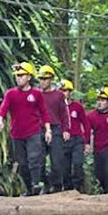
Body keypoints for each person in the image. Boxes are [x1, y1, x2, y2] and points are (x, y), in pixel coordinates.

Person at [0, 62, 53, 196]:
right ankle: (29, 188)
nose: (19, 78)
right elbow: (3, 109)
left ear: (29, 77)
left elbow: (44, 112)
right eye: (17, 75)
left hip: (33, 131)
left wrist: (48, 129)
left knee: (34, 159)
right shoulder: (11, 94)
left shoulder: (36, 94)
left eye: (22, 75)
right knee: (22, 163)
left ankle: (36, 184)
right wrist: (0, 120)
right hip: (17, 134)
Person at [38, 65, 71, 193]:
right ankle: (45, 183)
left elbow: (64, 113)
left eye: (45, 79)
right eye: (40, 78)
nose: (42, 81)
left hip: (55, 128)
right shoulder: (36, 94)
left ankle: (57, 186)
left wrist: (66, 129)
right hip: (39, 129)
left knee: (57, 162)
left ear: (51, 79)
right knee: (38, 161)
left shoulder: (59, 95)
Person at [60, 80, 87, 191]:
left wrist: (87, 141)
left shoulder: (78, 106)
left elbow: (85, 123)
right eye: (61, 91)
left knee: (77, 163)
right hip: (63, 141)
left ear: (70, 92)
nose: (63, 93)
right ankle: (67, 188)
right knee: (64, 168)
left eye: (66, 91)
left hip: (77, 140)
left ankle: (77, 187)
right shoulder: (57, 107)